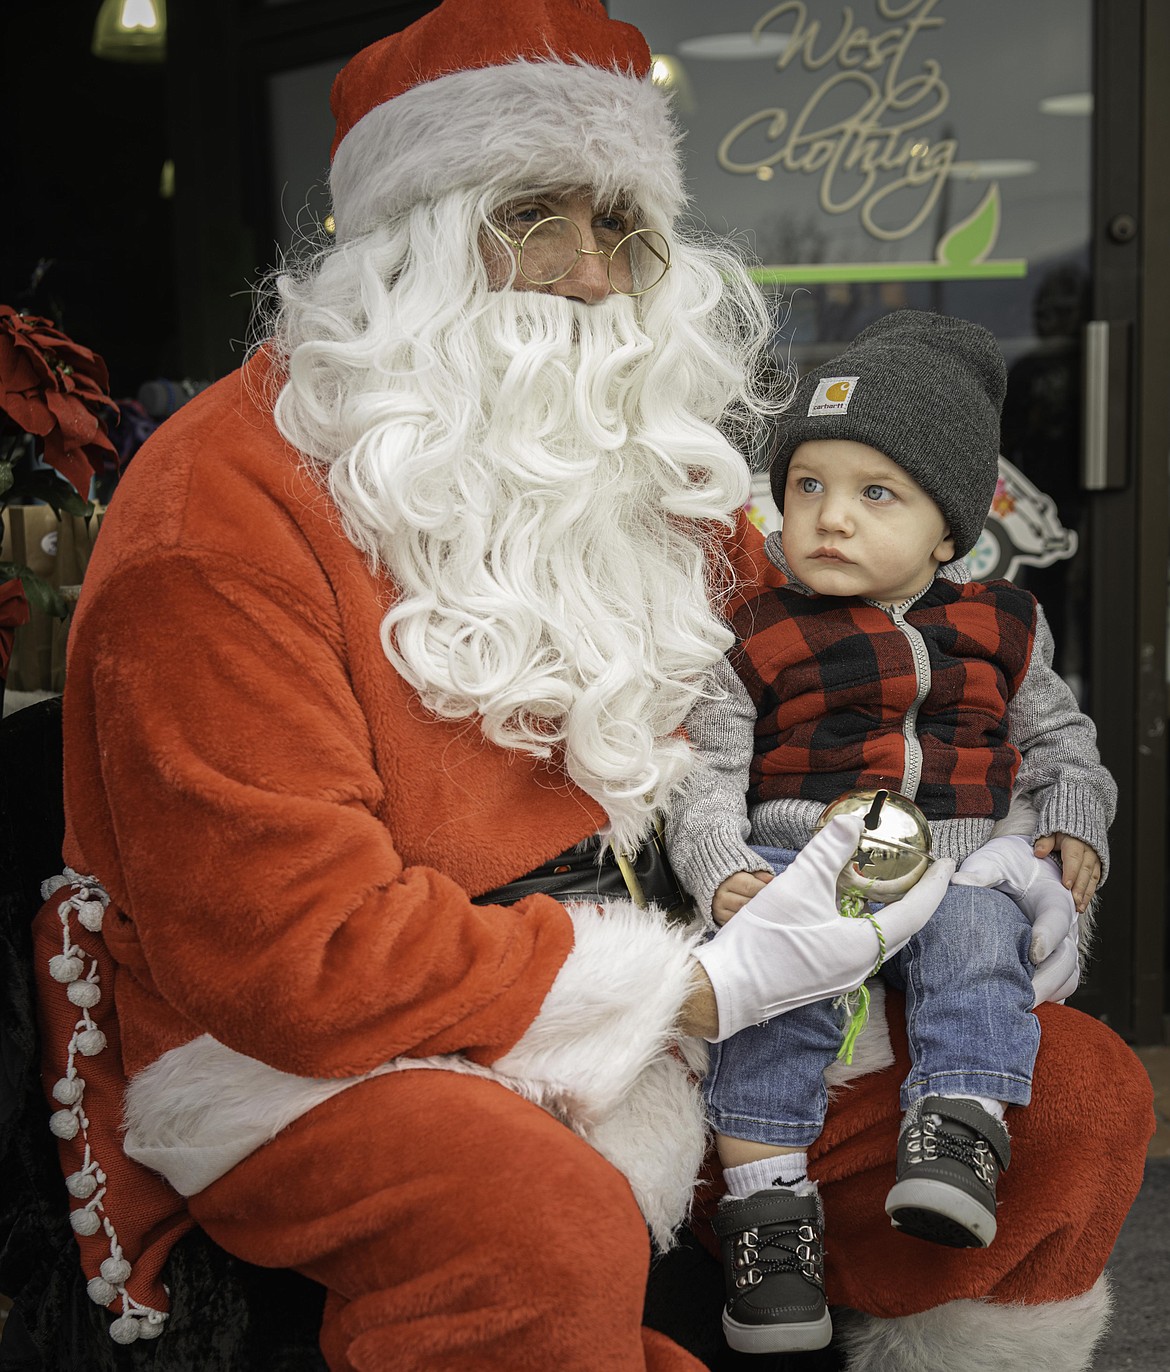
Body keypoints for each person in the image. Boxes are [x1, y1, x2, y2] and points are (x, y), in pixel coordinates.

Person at [32, 4, 1150, 1370]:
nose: (583, 276)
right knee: (529, 1219)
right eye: (529, 215)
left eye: (621, 226)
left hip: (699, 969)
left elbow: (856, 705)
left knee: (1073, 1100)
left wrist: (1008, 852)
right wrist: (693, 989)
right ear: (405, 243)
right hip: (347, 1045)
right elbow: (290, 959)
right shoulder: (222, 504)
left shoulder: (654, 476)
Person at [666, 309, 1117, 1356]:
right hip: (808, 853)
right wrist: (724, 868)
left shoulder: (1004, 624)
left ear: (947, 532)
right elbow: (706, 772)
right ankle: (768, 1219)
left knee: (979, 946)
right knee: (781, 996)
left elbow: (1062, 739)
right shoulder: (758, 632)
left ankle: (958, 1132)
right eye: (807, 486)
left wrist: (1073, 821)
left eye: (878, 494)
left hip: (956, 854)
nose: (831, 517)